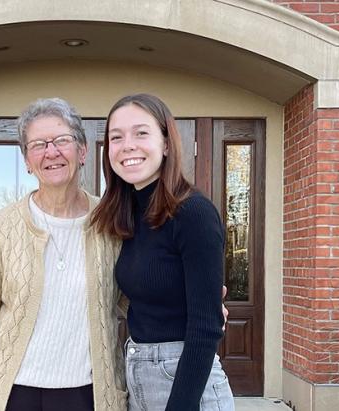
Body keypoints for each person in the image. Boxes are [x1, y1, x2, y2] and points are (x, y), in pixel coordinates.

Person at [0, 98, 127, 411]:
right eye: (38, 144)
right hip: (11, 394)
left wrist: (194, 304)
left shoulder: (111, 222)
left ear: (82, 151)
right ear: (27, 161)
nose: (51, 152)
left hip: (89, 394)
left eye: (62, 141)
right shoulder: (4, 225)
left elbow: (138, 297)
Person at [91, 93, 234, 411]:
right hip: (138, 373)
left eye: (141, 133)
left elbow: (205, 325)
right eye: (117, 137)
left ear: (167, 144)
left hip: (184, 384)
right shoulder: (126, 217)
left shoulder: (193, 213)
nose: (127, 145)